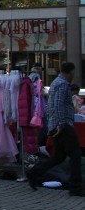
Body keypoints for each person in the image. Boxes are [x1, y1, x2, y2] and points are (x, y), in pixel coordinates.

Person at [27, 61, 83, 196]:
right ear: (69, 72)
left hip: (57, 125)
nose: (73, 76)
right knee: (75, 155)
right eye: (73, 73)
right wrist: (60, 126)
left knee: (59, 156)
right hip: (62, 126)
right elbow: (57, 106)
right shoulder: (62, 84)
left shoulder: (57, 83)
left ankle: (34, 172)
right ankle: (76, 186)